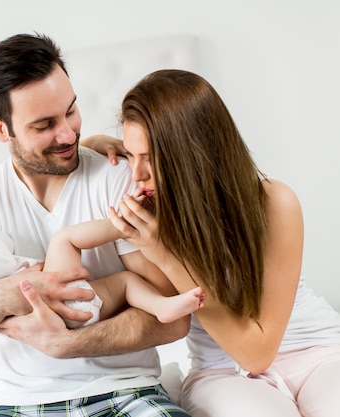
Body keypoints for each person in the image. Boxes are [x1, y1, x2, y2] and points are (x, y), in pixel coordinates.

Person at [0, 33, 194, 416]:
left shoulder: (116, 176)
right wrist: (8, 292)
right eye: (44, 125)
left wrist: (70, 343)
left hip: (127, 393)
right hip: (20, 403)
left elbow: (172, 323)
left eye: (71, 111)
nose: (68, 134)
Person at [72, 69, 340, 417]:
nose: (136, 174)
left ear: (193, 152)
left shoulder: (273, 202)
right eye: (130, 154)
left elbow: (258, 352)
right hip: (222, 372)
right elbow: (78, 162)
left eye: (150, 157)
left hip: (315, 352)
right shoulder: (148, 206)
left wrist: (166, 256)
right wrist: (94, 143)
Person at [0, 220, 204, 326]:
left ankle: (163, 306)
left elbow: (4, 251)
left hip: (71, 314)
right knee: (63, 239)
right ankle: (125, 223)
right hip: (57, 309)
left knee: (125, 282)